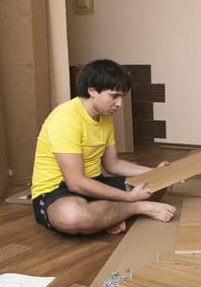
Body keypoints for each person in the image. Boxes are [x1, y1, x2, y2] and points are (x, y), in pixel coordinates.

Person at [31, 59, 176, 235]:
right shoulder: (66, 118)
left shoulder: (104, 118)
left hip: (94, 183)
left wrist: (155, 172)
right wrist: (129, 198)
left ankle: (107, 215)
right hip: (58, 191)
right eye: (114, 96)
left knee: (158, 185)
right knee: (73, 217)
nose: (119, 104)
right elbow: (75, 183)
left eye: (121, 97)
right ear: (92, 90)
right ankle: (135, 208)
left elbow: (112, 164)